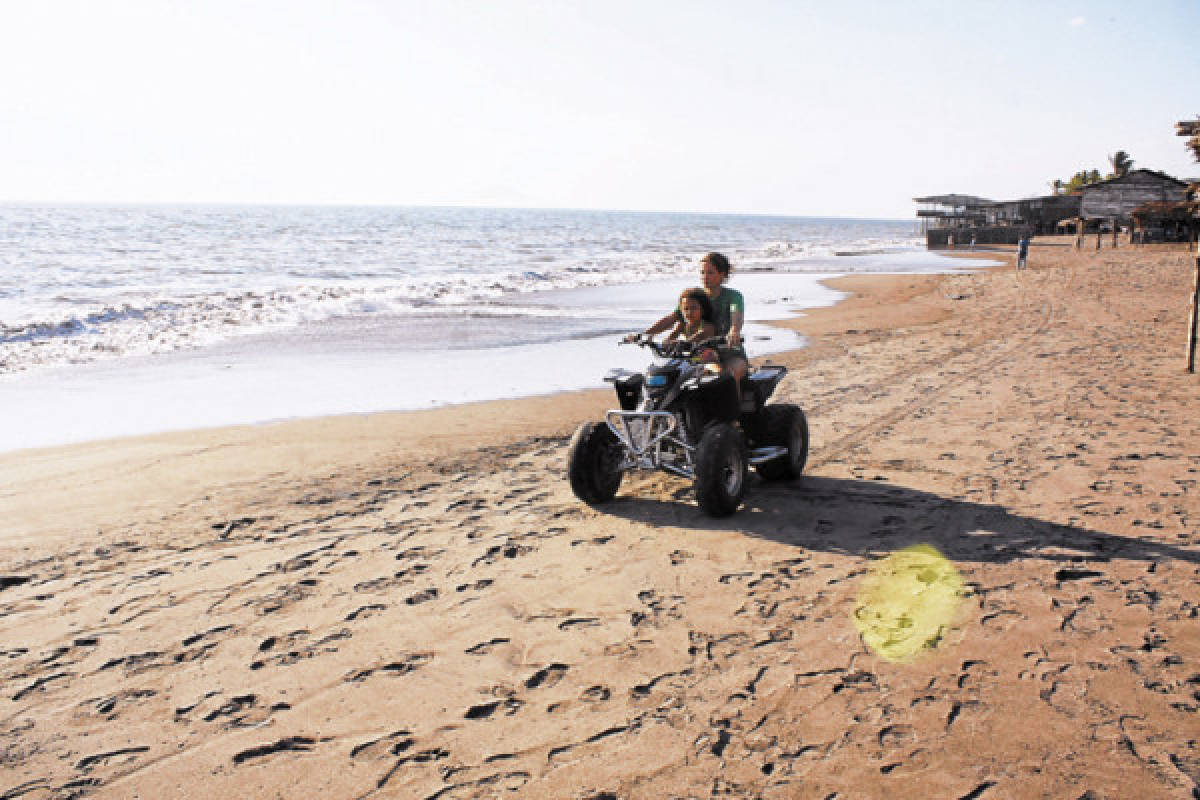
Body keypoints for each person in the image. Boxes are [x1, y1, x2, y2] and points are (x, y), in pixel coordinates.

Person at [634, 252, 748, 381]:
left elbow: (736, 315)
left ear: (723, 274)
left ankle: (732, 401)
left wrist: (734, 331)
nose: (705, 277)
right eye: (702, 273)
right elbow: (671, 319)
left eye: (710, 273)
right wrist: (644, 334)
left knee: (728, 377)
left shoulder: (733, 296)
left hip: (730, 353)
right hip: (698, 354)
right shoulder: (695, 296)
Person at [663, 287, 717, 360]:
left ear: (703, 309)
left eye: (694, 308)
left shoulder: (708, 327)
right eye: (686, 309)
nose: (689, 312)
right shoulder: (682, 325)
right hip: (692, 360)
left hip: (708, 360)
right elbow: (670, 338)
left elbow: (695, 338)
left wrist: (677, 343)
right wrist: (664, 343)